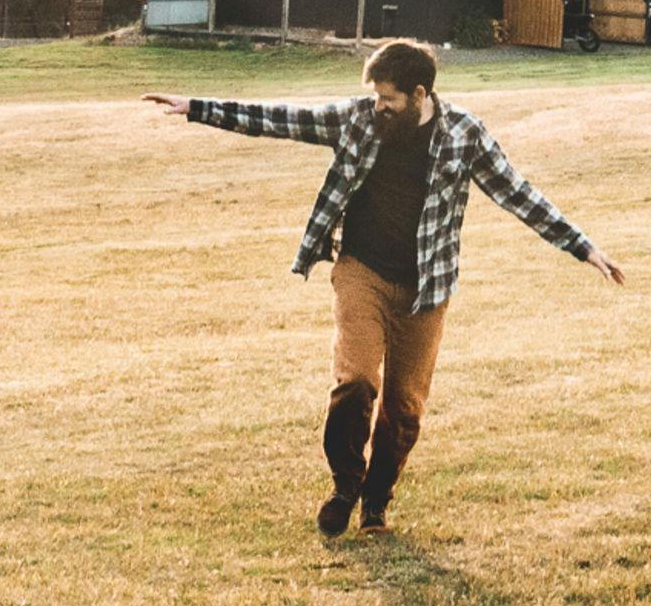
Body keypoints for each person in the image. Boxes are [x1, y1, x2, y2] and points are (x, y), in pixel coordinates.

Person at [146, 42, 623, 534]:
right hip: (362, 271)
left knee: (405, 410)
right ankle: (345, 484)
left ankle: (376, 502)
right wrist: (197, 108)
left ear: (420, 94)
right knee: (355, 382)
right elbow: (280, 118)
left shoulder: (463, 135)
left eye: (388, 98)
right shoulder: (357, 121)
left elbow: (518, 194)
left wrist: (583, 247)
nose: (378, 107)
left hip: (425, 288)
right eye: (374, 96)